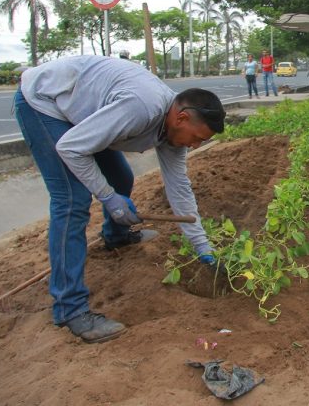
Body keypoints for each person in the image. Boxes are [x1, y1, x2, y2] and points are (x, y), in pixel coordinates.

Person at [13, 55, 226, 344]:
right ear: (182, 117)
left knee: (122, 179)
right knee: (72, 201)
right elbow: (72, 148)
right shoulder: (141, 109)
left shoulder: (173, 131)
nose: (196, 145)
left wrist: (203, 248)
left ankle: (117, 236)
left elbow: (179, 189)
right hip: (45, 103)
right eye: (197, 137)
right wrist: (108, 198)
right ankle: (69, 309)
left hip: (85, 112)